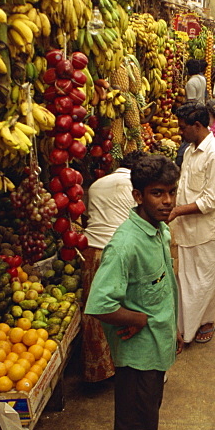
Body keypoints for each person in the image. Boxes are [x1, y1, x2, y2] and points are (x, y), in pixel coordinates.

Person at [84, 155, 181, 430]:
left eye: (171, 192)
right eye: (157, 193)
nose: (167, 201)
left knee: (149, 402)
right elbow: (99, 304)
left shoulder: (159, 229)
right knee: (132, 413)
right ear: (138, 196)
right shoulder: (124, 244)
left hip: (159, 342)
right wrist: (137, 318)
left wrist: (174, 328)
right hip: (137, 350)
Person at [169, 101, 215, 346]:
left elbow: (211, 201)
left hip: (205, 231)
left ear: (197, 125)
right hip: (186, 229)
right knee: (186, 280)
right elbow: (184, 186)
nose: (179, 131)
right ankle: (187, 326)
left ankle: (205, 323)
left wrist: (176, 211)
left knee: (204, 281)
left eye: (183, 127)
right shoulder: (189, 150)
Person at [81, 154, 138, 388]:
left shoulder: (96, 185)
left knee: (95, 312)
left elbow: (88, 218)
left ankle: (97, 371)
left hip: (92, 251)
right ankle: (126, 366)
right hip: (120, 252)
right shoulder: (137, 187)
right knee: (127, 310)